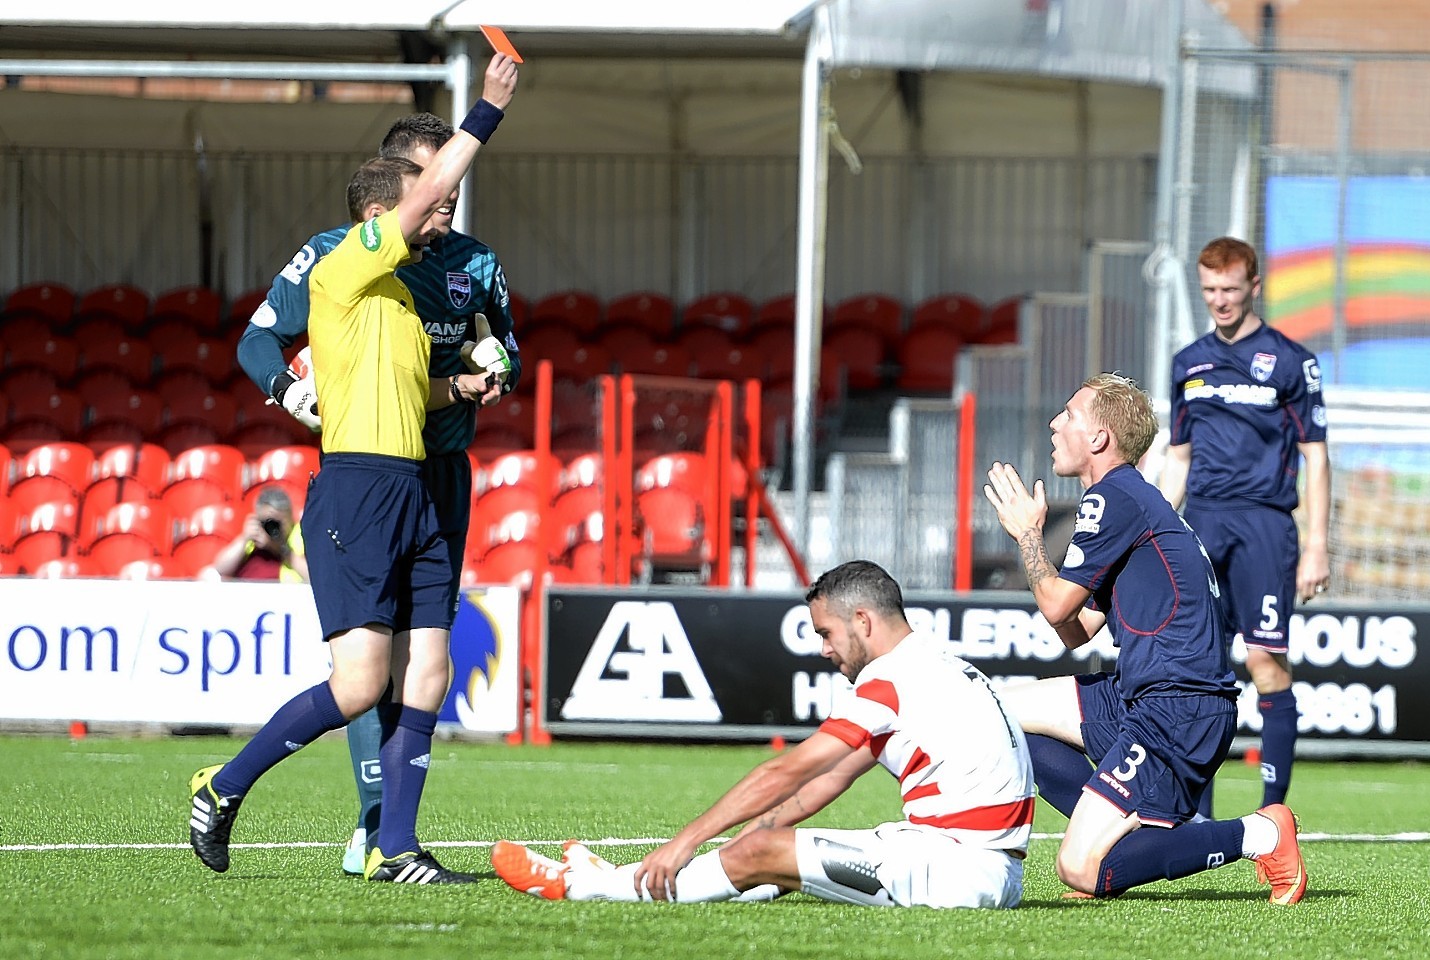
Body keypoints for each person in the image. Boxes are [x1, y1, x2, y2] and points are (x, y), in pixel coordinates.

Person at [187, 52, 519, 886]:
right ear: (384, 211)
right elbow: (266, 339)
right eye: (424, 193)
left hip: (424, 484)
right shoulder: (342, 265)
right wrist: (486, 108)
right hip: (358, 487)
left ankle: (394, 846)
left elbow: (426, 385)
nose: (440, 203)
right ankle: (224, 786)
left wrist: (475, 377)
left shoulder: (415, 298)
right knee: (362, 681)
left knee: (429, 671)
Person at [491, 560, 1036, 910]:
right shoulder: (936, 663)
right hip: (972, 864)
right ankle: (678, 876)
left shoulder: (890, 679)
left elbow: (788, 770)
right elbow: (825, 782)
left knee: (759, 851)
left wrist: (688, 841)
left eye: (827, 633)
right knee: (761, 850)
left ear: (863, 621)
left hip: (961, 873)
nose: (824, 649)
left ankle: (590, 888)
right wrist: (744, 842)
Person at [981, 372, 1308, 904]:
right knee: (994, 712)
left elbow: (1057, 604)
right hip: (1145, 694)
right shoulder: (1129, 501)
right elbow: (1076, 630)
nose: (1054, 423)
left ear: (1098, 439)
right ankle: (1117, 827)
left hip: (1178, 709)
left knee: (1079, 870)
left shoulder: (1113, 498)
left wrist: (1029, 537)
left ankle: (1261, 833)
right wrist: (1037, 549)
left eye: (1069, 414)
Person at [1158, 236, 1330, 816]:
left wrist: (1318, 547)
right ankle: (1199, 816)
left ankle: (1274, 810)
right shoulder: (1188, 362)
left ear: (1254, 286)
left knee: (1264, 661)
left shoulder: (1291, 360)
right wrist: (1153, 533)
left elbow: (1317, 455)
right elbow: (1177, 460)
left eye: (1230, 289)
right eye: (1209, 290)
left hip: (1265, 525)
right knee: (1202, 667)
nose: (1220, 301)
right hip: (1202, 522)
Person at [206, 485, 309, 583]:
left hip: (286, 594)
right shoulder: (253, 538)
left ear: (290, 518)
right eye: (267, 522)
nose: (272, 528)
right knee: (206, 575)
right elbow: (220, 569)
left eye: (277, 522)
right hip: (248, 592)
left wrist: (281, 549)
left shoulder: (301, 535)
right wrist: (244, 539)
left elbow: (312, 575)